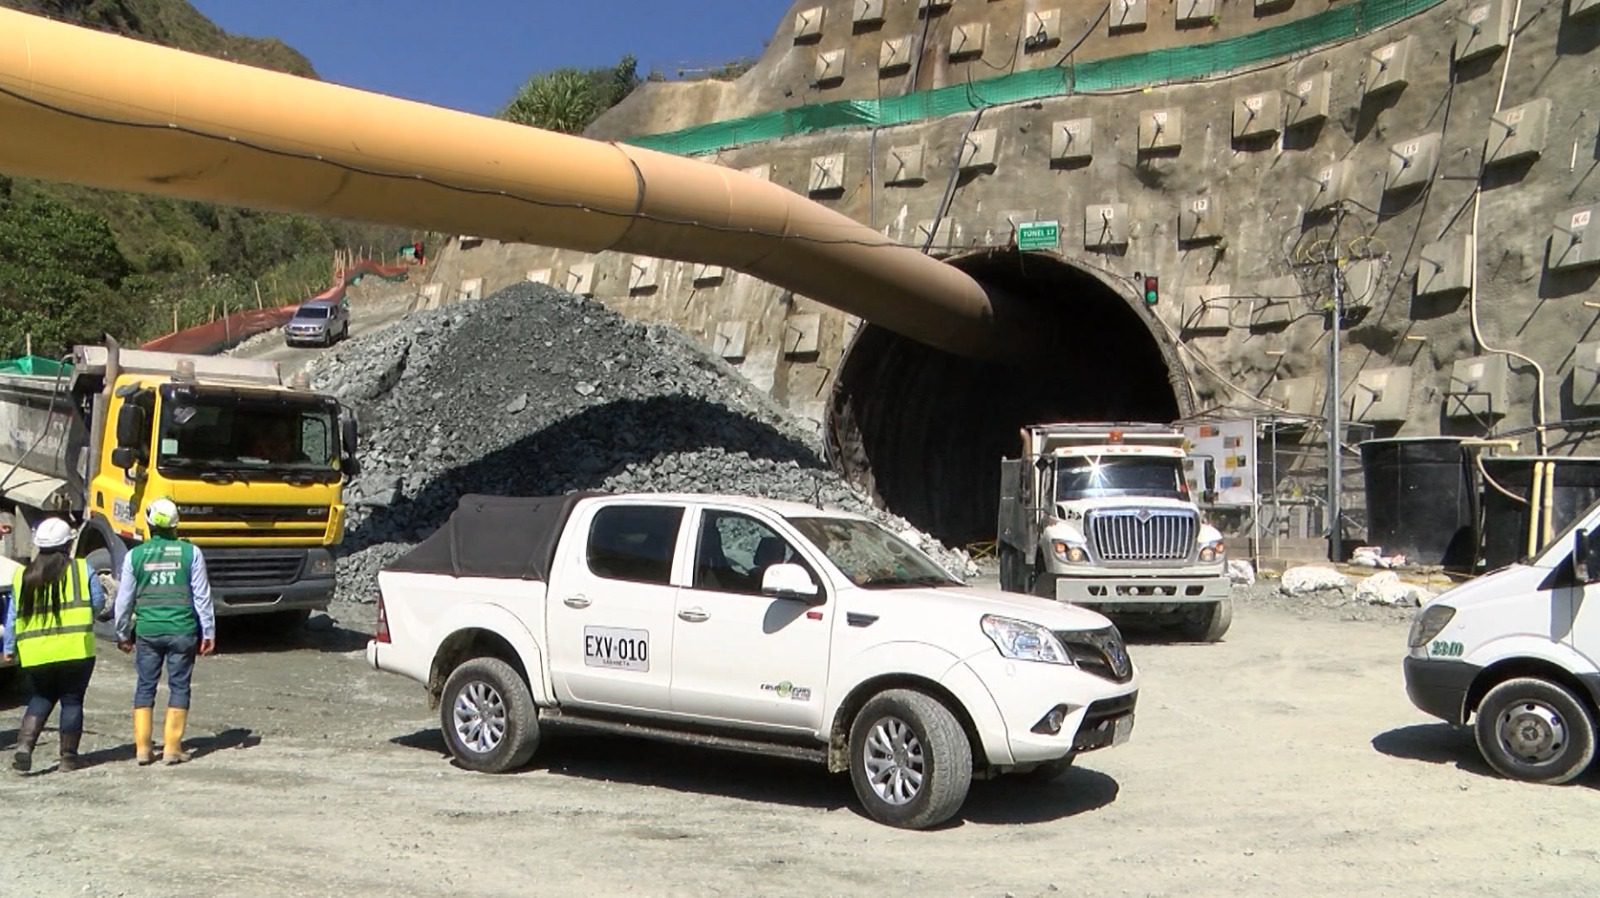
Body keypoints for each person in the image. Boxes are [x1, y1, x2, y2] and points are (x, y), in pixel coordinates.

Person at [115, 498, 216, 765]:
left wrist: (123, 633)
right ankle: (172, 748)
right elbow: (202, 596)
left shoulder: (134, 556)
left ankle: (143, 749)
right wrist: (208, 632)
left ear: (149, 524)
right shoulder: (190, 553)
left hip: (148, 632)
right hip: (182, 630)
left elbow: (124, 600)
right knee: (179, 685)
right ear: (175, 525)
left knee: (145, 686)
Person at [0, 517, 103, 773]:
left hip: (36, 652)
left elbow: (12, 617)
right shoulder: (82, 569)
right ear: (68, 544)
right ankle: (68, 758)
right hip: (76, 649)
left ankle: (25, 745)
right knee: (72, 701)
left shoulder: (22, 575)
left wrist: (9, 647)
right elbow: (99, 603)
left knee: (41, 697)